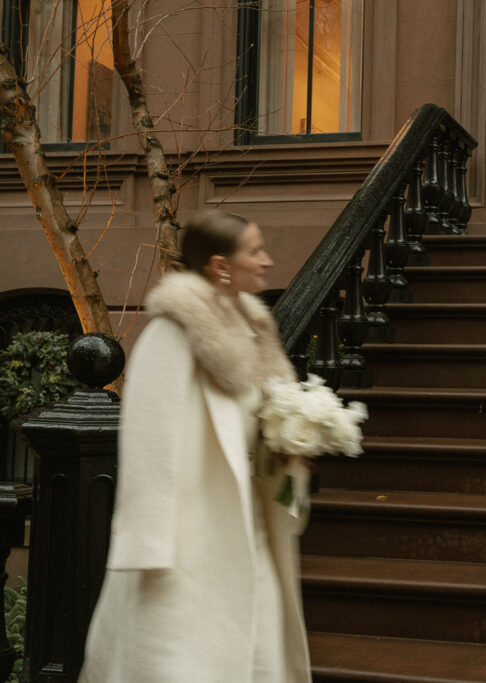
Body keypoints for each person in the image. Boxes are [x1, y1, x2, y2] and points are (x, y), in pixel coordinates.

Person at [80, 210, 312, 682]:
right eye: (255, 251)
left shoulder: (255, 333)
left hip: (248, 529)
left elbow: (256, 431)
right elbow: (149, 439)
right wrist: (148, 547)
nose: (267, 261)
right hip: (186, 542)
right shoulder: (173, 334)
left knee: (260, 655)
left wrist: (289, 451)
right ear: (220, 265)